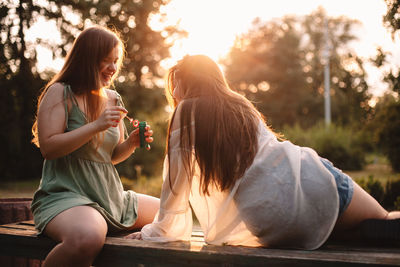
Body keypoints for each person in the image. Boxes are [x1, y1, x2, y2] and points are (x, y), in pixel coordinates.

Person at [126, 54, 400, 249]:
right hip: (313, 183)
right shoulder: (238, 104)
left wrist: (156, 231)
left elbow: (175, 186)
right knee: (383, 221)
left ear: (188, 82)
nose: (173, 91)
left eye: (176, 83)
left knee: (365, 234)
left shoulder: (185, 112)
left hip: (268, 222)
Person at [31, 26, 159, 267]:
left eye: (115, 61)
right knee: (87, 237)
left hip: (110, 196)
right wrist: (96, 125)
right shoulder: (59, 92)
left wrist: (130, 143)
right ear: (87, 59)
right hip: (66, 195)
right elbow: (49, 148)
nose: (113, 68)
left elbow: (109, 157)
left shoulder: (113, 98)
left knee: (171, 215)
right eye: (105, 60)